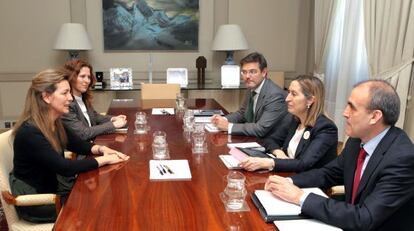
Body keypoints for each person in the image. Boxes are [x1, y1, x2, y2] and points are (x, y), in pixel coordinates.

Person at [265, 80, 414, 231]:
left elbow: (364, 218)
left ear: (375, 116)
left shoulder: (402, 159)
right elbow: (328, 173)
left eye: (352, 108)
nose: (345, 113)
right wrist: (288, 182)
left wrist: (300, 197)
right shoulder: (356, 141)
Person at [10, 69, 129, 223]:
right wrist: (106, 160)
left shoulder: (55, 122)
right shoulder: (30, 132)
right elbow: (65, 168)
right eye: (65, 93)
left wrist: (102, 149)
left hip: (54, 189)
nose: (71, 98)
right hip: (38, 200)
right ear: (46, 97)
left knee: (102, 199)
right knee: (99, 209)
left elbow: (78, 145)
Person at [240, 75, 337, 172]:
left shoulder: (326, 128)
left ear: (310, 100)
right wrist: (279, 153)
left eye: (294, 94)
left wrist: (269, 162)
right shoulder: (294, 119)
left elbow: (304, 163)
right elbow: (270, 139)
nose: (287, 98)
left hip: (311, 184)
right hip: (287, 175)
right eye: (288, 92)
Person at [211, 52, 288, 137]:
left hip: (270, 143)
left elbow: (261, 129)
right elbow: (242, 113)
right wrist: (223, 119)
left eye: (252, 72)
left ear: (264, 72)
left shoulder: (275, 95)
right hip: (254, 138)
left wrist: (229, 127)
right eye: (244, 72)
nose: (247, 76)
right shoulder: (251, 86)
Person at [61, 59, 127, 141]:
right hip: (82, 150)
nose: (87, 81)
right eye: (82, 76)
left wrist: (112, 118)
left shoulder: (82, 96)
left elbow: (94, 116)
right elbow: (83, 133)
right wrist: (113, 125)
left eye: (89, 77)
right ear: (71, 77)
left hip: (93, 143)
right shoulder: (66, 104)